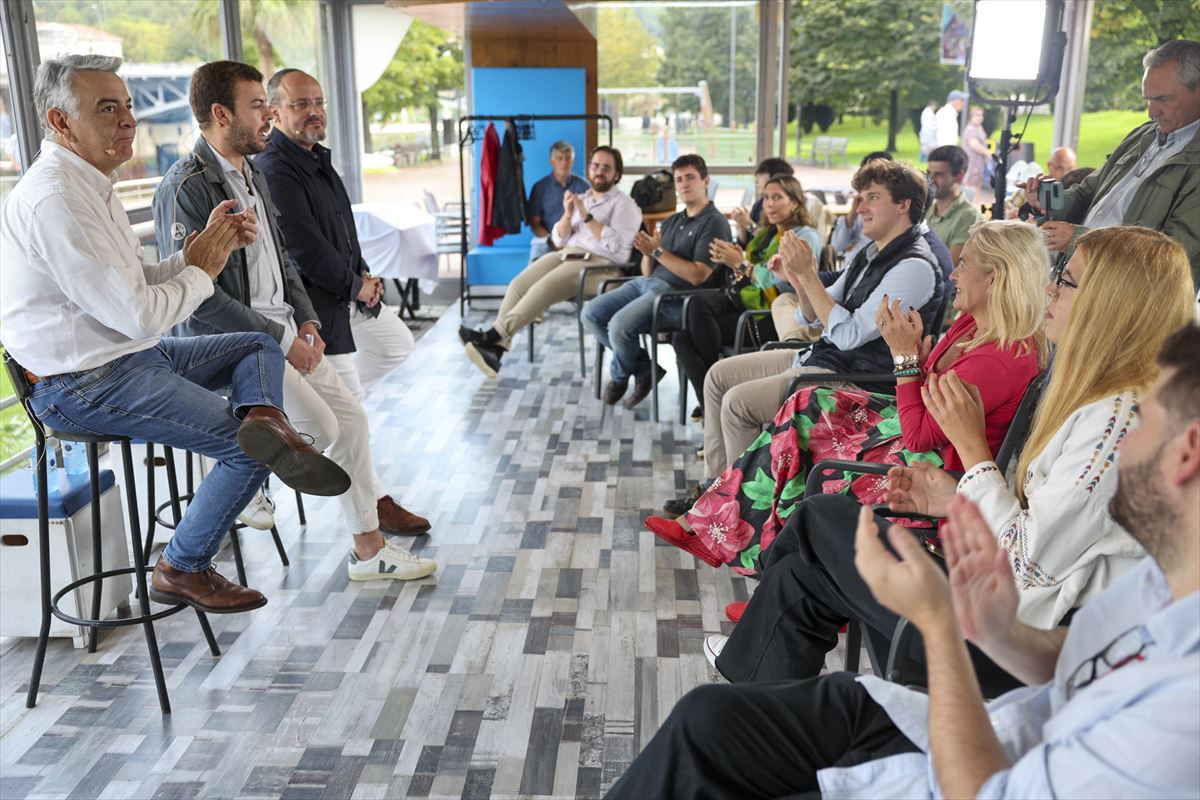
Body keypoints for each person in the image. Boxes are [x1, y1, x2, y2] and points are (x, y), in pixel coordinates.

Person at [608, 317, 1199, 799]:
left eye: (1145, 421)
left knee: (816, 526)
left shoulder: (1180, 716)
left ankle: (753, 592)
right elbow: (1082, 654)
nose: (1129, 435)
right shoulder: (1162, 579)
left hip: (971, 756)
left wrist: (943, 621)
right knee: (708, 715)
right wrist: (997, 631)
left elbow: (988, 791)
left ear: (1186, 453)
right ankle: (757, 624)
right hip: (998, 702)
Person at [706, 226, 1195, 685]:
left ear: (1110, 306)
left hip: (1011, 638)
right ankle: (758, 703)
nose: (1050, 291)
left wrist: (971, 453)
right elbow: (1042, 525)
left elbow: (1026, 565)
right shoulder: (1095, 397)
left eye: (1065, 281)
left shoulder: (1115, 423)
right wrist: (956, 496)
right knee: (801, 573)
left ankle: (756, 698)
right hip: (1010, 603)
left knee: (820, 517)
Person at [1, 55, 349, 613]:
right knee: (245, 453)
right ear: (59, 122)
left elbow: (137, 283)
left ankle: (268, 424)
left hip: (130, 358)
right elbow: (140, 314)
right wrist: (203, 267)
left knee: (258, 345)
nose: (127, 120)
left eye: (129, 105)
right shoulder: (56, 200)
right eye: (106, 108)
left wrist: (192, 255)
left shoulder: (89, 183)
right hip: (83, 384)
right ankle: (180, 566)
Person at [155, 60, 438, 581]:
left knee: (351, 422)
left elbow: (284, 259)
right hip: (239, 345)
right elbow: (200, 296)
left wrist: (306, 321)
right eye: (258, 105)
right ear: (221, 113)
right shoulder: (186, 186)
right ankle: (241, 465)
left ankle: (369, 553)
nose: (269, 116)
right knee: (326, 427)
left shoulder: (252, 171)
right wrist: (283, 338)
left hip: (285, 330)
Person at [649, 220, 1046, 576]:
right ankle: (742, 544)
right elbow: (929, 395)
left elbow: (921, 438)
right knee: (806, 402)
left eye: (966, 264)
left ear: (995, 278)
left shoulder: (1001, 358)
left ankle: (751, 553)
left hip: (932, 464)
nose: (954, 272)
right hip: (909, 427)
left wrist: (906, 360)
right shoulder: (972, 323)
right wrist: (919, 365)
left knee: (817, 447)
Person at [696, 159, 943, 482]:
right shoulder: (873, 253)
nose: (860, 207)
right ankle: (712, 489)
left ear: (903, 205)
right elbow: (812, 316)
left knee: (737, 404)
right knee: (717, 378)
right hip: (823, 357)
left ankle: (737, 515)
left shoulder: (915, 267)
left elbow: (849, 335)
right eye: (861, 197)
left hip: (855, 379)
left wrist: (807, 277)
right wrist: (800, 277)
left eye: (872, 197)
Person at [252, 68, 422, 532]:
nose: (313, 112)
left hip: (349, 295)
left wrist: (363, 275)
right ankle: (374, 509)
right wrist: (353, 285)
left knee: (397, 344)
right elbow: (304, 248)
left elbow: (343, 229)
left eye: (318, 102)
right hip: (320, 309)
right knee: (352, 423)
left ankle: (309, 411)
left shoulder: (316, 157)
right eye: (300, 104)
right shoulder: (275, 167)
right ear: (275, 112)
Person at [458, 145, 641, 379]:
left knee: (541, 289)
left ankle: (492, 337)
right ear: (589, 168)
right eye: (595, 165)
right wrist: (567, 214)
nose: (599, 171)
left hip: (602, 265)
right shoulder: (582, 198)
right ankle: (496, 351)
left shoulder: (625, 205)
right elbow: (558, 238)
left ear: (616, 174)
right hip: (569, 253)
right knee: (518, 284)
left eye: (606, 167)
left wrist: (586, 217)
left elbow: (616, 246)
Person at [1024, 39, 1200, 282]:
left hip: (1127, 303)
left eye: (1162, 99)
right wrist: (1047, 200)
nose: (1151, 111)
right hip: (1079, 280)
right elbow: (1088, 192)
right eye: (1147, 100)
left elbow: (1173, 255)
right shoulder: (1143, 135)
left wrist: (1080, 240)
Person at [581, 154, 731, 409]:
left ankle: (619, 376)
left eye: (690, 178)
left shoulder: (714, 222)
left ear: (706, 181)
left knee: (619, 326)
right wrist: (649, 252)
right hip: (647, 284)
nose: (684, 184)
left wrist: (659, 251)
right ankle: (644, 369)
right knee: (590, 313)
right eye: (679, 179)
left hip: (676, 297)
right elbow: (648, 271)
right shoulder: (673, 220)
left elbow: (698, 275)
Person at [672, 174, 821, 416]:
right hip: (746, 303)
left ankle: (711, 402)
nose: (769, 204)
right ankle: (713, 397)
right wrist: (735, 257)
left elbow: (789, 286)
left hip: (773, 315)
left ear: (794, 202)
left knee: (684, 339)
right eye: (766, 197)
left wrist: (742, 264)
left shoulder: (805, 236)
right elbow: (753, 268)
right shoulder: (768, 234)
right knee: (692, 311)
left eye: (777, 197)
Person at [525, 140, 589, 262]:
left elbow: (590, 218)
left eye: (567, 159)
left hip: (577, 241)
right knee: (536, 268)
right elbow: (535, 224)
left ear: (572, 161)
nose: (564, 163)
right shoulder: (540, 188)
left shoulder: (584, 187)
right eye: (560, 158)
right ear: (552, 161)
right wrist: (553, 240)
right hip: (547, 240)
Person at [829, 151, 893, 266]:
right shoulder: (860, 210)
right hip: (850, 268)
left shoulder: (892, 215)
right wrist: (852, 213)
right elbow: (837, 245)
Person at [926, 144, 984, 263]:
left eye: (938, 174)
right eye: (929, 173)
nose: (930, 180)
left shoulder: (969, 218)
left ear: (959, 176)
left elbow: (951, 270)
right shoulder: (926, 210)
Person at [729, 157, 794, 247]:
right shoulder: (759, 204)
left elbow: (770, 244)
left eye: (761, 174)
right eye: (766, 197)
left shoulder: (785, 215)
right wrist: (742, 225)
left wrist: (749, 225)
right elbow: (744, 245)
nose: (756, 181)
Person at [962, 106, 990, 200]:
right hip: (971, 161)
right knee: (970, 184)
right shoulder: (971, 129)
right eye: (977, 115)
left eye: (982, 115)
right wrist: (987, 152)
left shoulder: (979, 127)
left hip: (979, 163)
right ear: (971, 116)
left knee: (977, 184)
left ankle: (976, 204)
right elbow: (974, 145)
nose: (980, 117)